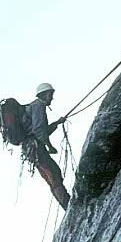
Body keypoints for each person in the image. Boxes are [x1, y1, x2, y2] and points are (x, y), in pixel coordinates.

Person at [21, 83, 71, 211]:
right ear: (44, 94)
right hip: (36, 147)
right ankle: (68, 205)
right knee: (53, 174)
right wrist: (50, 146)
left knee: (52, 175)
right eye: (51, 95)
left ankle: (67, 205)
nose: (52, 98)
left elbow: (41, 130)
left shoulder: (35, 106)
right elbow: (39, 131)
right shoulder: (38, 106)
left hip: (32, 148)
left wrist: (56, 123)